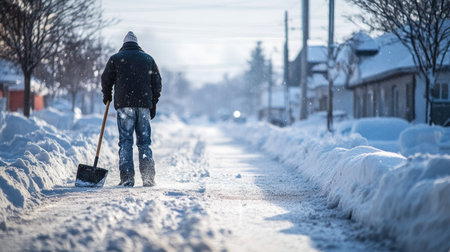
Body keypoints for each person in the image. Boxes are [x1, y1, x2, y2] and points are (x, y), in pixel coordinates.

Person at [101, 31, 162, 187]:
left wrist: (107, 95)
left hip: (124, 105)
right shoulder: (148, 59)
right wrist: (153, 103)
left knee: (126, 142)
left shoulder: (116, 59)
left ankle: (127, 177)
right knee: (144, 142)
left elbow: (106, 79)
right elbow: (157, 82)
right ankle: (148, 177)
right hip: (143, 106)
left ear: (124, 44)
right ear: (137, 43)